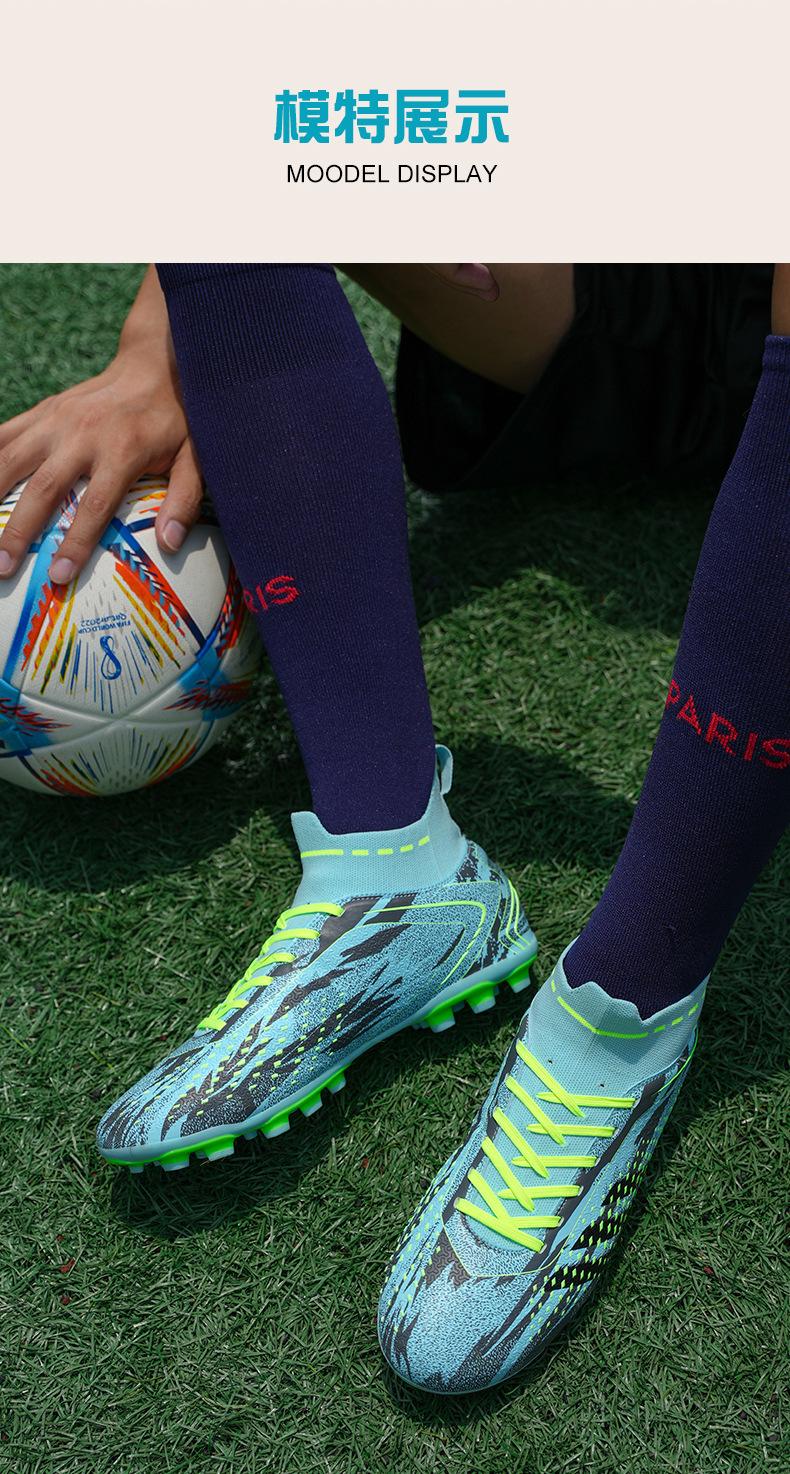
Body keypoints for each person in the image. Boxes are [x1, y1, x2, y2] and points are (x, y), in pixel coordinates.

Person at [0, 265, 786, 1392]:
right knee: (244, 158)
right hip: (650, 289)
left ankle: (626, 1014)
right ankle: (398, 867)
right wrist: (158, 339)